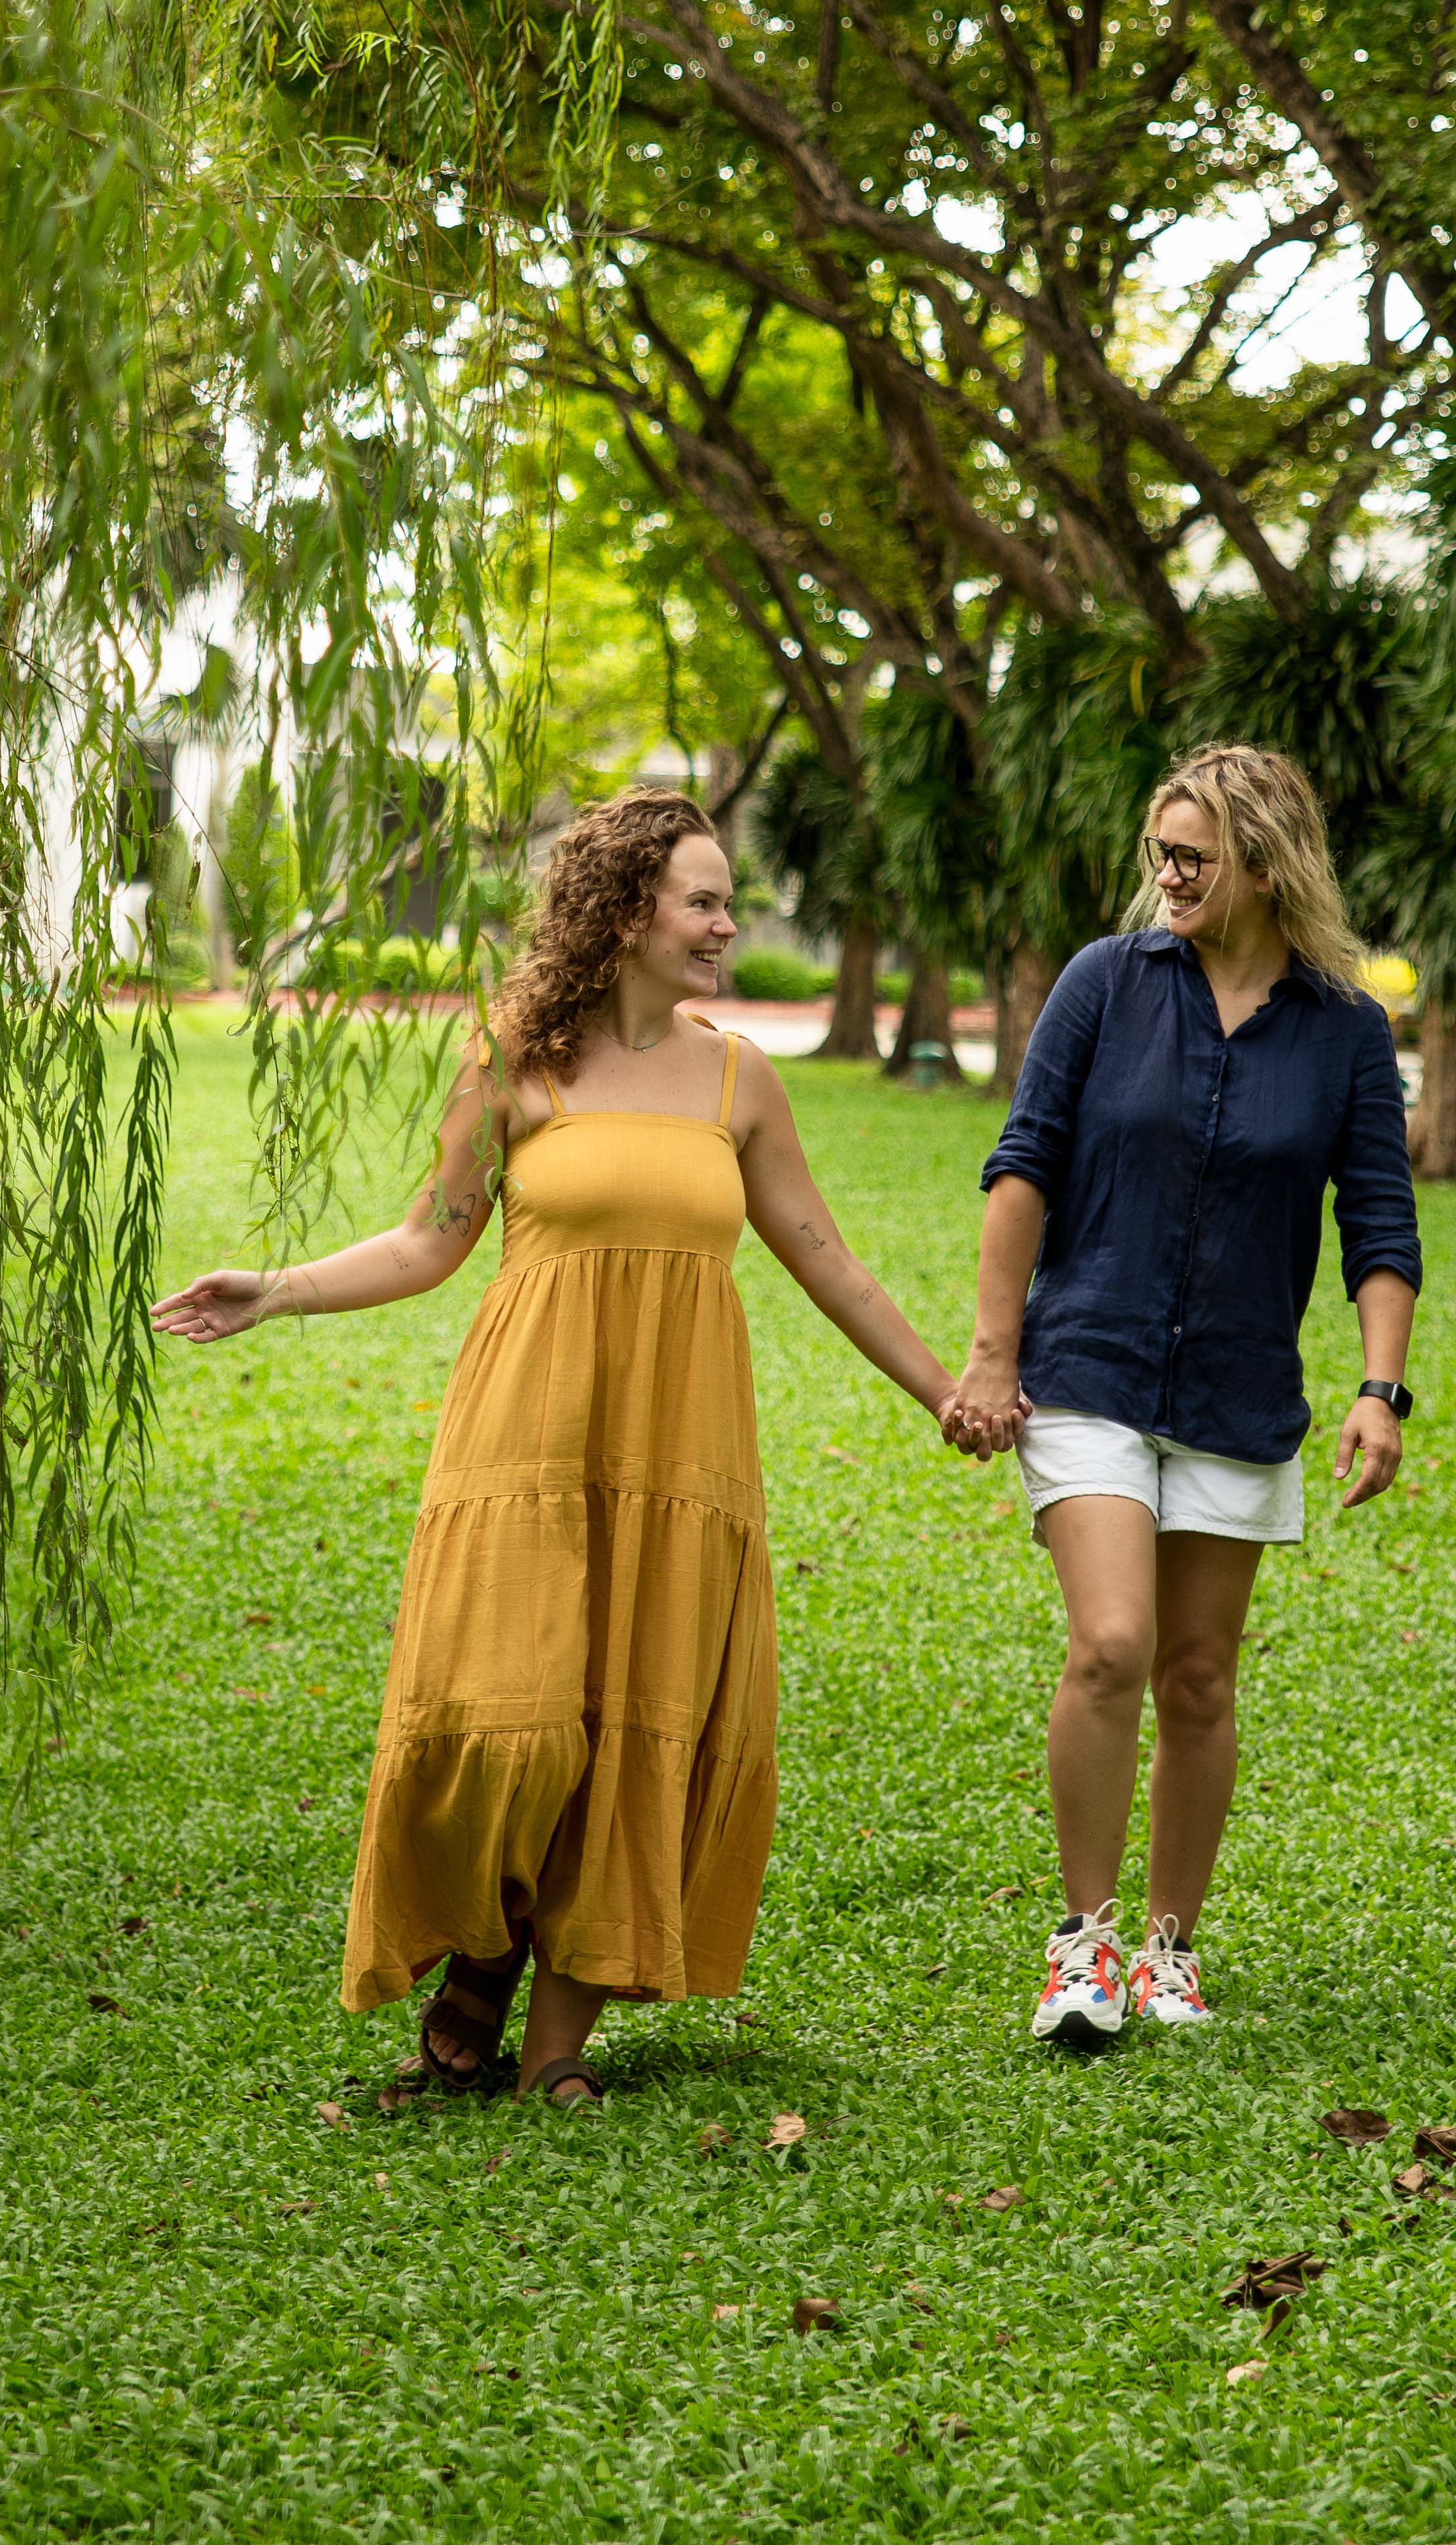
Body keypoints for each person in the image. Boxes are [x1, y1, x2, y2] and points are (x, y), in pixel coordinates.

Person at [151, 791, 969, 2107]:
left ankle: (556, 2049)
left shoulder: (735, 1078)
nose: (725, 924)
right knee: (504, 1718)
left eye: (726, 902)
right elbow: (432, 1237)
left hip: (679, 1446)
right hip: (527, 1434)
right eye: (703, 901)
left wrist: (945, 1392)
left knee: (639, 1713)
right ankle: (484, 1951)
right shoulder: (516, 1062)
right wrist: (279, 1289)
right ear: (625, 911)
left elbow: (827, 1261)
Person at [944, 741, 1420, 2054]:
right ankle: (1080, 1946)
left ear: (1265, 866)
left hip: (1236, 1386)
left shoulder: (1343, 1034)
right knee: (1112, 1644)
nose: (1166, 875)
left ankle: (1167, 1949)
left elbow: (1381, 1221)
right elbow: (1023, 1165)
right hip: (1088, 1364)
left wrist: (1381, 1389)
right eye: (1162, 851)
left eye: (1192, 857)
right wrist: (993, 1353)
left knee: (1200, 1679)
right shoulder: (1106, 984)